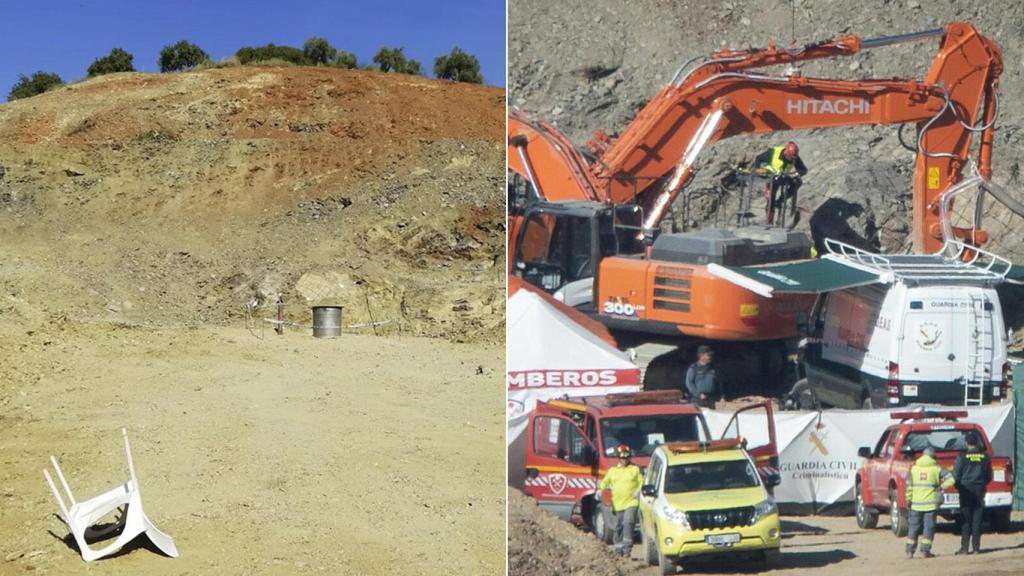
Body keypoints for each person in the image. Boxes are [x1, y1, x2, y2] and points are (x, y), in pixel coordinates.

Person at [904, 446, 955, 558]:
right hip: (930, 504)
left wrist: (908, 499)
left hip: (916, 504)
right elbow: (951, 479)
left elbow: (908, 486)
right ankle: (925, 551)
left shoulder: (913, 468)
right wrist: (941, 487)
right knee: (929, 528)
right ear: (933, 456)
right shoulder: (937, 468)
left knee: (913, 527)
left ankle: (909, 551)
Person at [598, 444, 643, 557]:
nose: (625, 459)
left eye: (627, 457)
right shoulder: (613, 471)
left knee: (628, 522)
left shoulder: (635, 469)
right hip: (617, 504)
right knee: (618, 526)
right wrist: (600, 490)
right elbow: (604, 482)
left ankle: (627, 548)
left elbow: (642, 482)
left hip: (631, 502)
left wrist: (638, 490)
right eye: (622, 457)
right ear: (618, 457)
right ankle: (618, 548)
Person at [952, 433, 992, 555]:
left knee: (965, 519)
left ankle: (964, 548)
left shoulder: (962, 456)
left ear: (966, 443)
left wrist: (957, 486)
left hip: (965, 490)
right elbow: (989, 475)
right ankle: (976, 548)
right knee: (977, 519)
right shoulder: (985, 457)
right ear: (977, 443)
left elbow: (956, 475)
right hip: (979, 489)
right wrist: (982, 484)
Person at [753, 141, 808, 226]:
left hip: (783, 177)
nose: (792, 159)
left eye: (793, 157)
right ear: (786, 153)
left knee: (797, 182)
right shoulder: (773, 153)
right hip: (771, 178)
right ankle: (769, 223)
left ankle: (781, 200)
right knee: (771, 200)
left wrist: (794, 174)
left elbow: (803, 170)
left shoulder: (794, 157)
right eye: (790, 157)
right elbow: (758, 158)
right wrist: (758, 170)